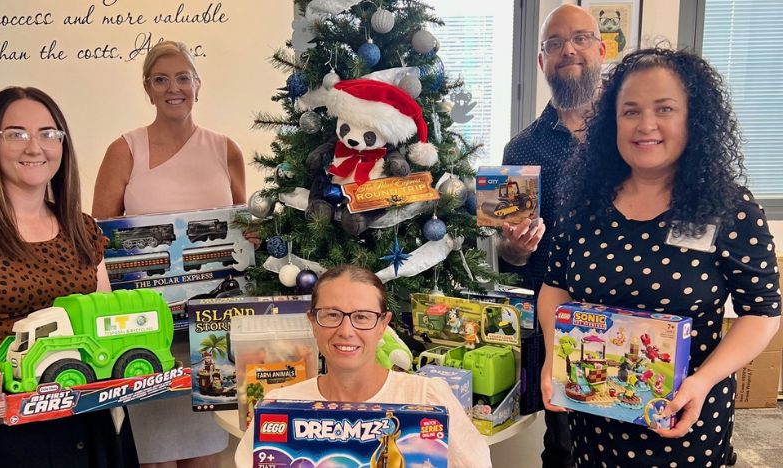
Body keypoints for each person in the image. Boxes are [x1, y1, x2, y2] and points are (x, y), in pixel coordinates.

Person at [539, 48, 781, 467]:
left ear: (694, 119)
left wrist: (703, 382)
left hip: (682, 418)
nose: (646, 125)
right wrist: (552, 357)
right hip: (593, 417)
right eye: (630, 111)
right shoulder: (584, 204)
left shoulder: (729, 208)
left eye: (664, 109)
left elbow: (761, 313)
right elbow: (555, 286)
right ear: (611, 122)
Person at [0, 86, 137, 467]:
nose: (35, 147)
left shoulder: (82, 229)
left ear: (62, 144)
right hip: (0, 420)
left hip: (85, 412)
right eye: (17, 133)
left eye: (48, 134)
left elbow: (105, 317)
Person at [92, 40, 246, 468]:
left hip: (214, 326)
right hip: (149, 328)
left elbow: (239, 229)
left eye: (182, 77)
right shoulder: (124, 149)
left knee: (211, 451)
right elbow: (98, 238)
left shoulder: (225, 149)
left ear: (198, 84)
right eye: (161, 79)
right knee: (154, 457)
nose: (172, 88)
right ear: (148, 88)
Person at [234, 264, 492, 468]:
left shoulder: (427, 398)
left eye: (362, 317)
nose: (346, 331)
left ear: (383, 324)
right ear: (312, 321)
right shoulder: (281, 405)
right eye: (332, 315)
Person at [498, 5, 606, 467]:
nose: (568, 50)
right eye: (554, 43)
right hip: (559, 322)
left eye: (580, 38)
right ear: (541, 61)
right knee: (563, 447)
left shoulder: (634, 132)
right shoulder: (521, 150)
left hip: (634, 311)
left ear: (602, 50)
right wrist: (515, 247)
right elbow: (509, 257)